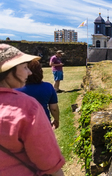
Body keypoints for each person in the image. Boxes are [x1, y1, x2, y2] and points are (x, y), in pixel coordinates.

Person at [0, 44, 65, 175]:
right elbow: (49, 162)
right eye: (24, 67)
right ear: (7, 72)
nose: (29, 72)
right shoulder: (26, 107)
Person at [17, 60, 60, 129]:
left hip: (21, 126)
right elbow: (53, 108)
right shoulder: (48, 86)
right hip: (43, 123)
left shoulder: (15, 89)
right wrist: (56, 120)